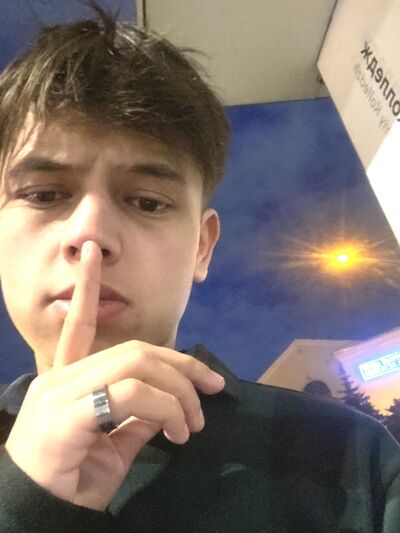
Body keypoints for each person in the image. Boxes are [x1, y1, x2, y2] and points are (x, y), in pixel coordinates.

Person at [0, 4, 399, 532]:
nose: (90, 235)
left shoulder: (353, 461)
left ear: (202, 249)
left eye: (147, 202)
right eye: (44, 194)